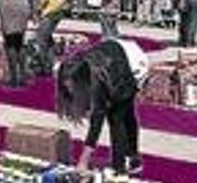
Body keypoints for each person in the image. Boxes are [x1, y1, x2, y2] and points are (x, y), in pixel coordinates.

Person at [56, 38, 149, 175]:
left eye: (71, 85)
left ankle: (120, 166)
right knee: (127, 114)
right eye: (66, 84)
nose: (69, 88)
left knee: (116, 117)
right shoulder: (78, 67)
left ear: (82, 79)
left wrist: (83, 160)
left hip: (133, 64)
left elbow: (97, 121)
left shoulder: (98, 82)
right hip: (115, 55)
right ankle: (133, 158)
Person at [25, 0, 70, 78]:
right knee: (45, 36)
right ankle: (49, 62)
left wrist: (34, 13)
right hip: (58, 3)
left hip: (56, 5)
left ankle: (45, 66)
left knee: (41, 38)